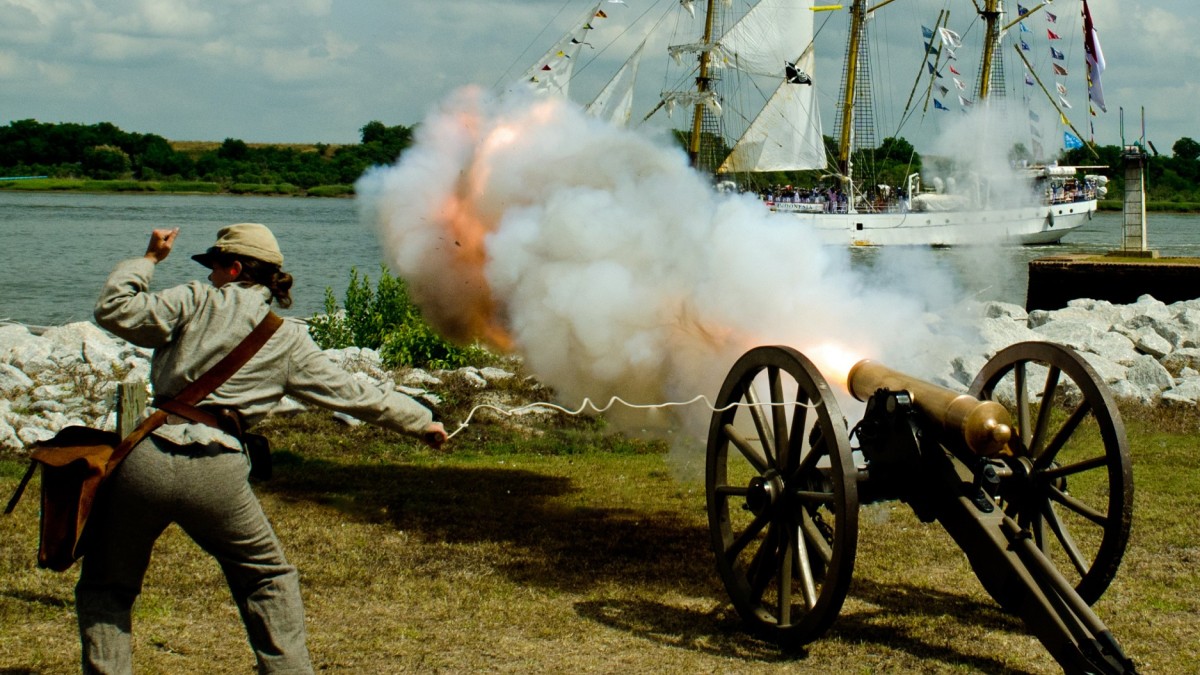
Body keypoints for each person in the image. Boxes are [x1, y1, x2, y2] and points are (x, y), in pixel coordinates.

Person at [80, 223, 447, 673]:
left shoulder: (192, 299)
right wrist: (421, 421)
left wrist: (150, 259)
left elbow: (114, 308)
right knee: (267, 580)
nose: (212, 275)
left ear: (233, 268)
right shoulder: (287, 338)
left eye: (215, 267)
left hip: (147, 458)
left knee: (107, 586)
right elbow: (354, 394)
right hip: (217, 469)